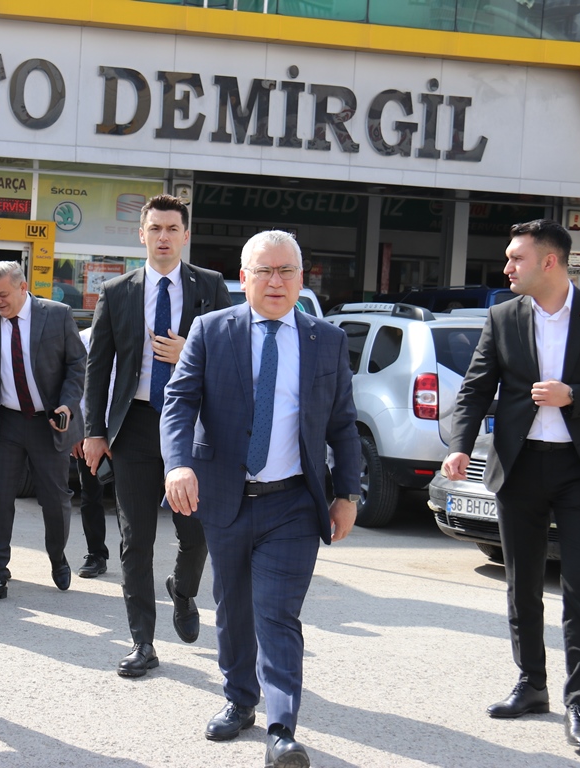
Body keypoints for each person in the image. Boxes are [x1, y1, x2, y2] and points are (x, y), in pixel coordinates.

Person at [441, 219, 580, 750]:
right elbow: (476, 387)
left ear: (549, 262)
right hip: (521, 466)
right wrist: (460, 445)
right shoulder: (503, 316)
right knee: (522, 583)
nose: (507, 267)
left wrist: (573, 395)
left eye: (517, 258)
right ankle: (532, 685)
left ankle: (579, 704)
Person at [162, 230, 360, 768]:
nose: (276, 281)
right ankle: (238, 700)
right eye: (265, 271)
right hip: (226, 495)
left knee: (277, 613)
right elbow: (179, 402)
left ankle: (282, 728)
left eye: (286, 271)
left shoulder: (326, 340)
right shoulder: (211, 330)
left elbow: (342, 423)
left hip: (293, 503)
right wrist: (178, 463)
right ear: (243, 278)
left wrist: (347, 493)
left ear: (302, 278)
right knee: (233, 608)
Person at [83, 193, 230, 677]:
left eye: (172, 229)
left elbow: (234, 358)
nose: (163, 237)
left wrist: (193, 351)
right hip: (137, 426)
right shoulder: (117, 291)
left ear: (186, 235)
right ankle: (142, 642)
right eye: (155, 228)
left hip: (191, 427)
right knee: (136, 538)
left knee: (196, 532)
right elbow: (98, 367)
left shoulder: (210, 286)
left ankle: (182, 591)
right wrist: (94, 431)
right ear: (141, 234)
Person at [0, 260, 86, 603]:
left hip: (48, 421)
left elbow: (77, 364)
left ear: (23, 287)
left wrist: (67, 404)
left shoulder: (57, 315)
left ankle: (57, 556)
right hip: (6, 422)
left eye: (3, 294)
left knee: (55, 499)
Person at [72, 326, 113, 579]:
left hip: (127, 428)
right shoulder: (83, 339)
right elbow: (73, 384)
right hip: (91, 429)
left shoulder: (133, 336)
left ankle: (133, 556)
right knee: (90, 494)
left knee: (131, 500)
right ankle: (96, 553)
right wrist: (77, 430)